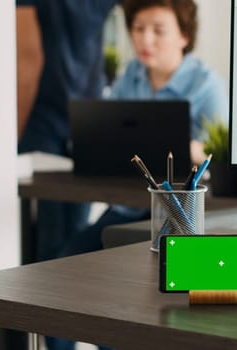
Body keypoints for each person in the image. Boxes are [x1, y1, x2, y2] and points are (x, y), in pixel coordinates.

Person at [60, 0, 228, 255]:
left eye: (158, 31)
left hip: (181, 216)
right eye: (138, 29)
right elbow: (104, 132)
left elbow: (221, 154)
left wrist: (190, 148)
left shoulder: (207, 86)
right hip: (128, 205)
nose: (145, 39)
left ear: (184, 35)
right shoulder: (130, 74)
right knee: (72, 254)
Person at [16, 1, 120, 349]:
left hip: (48, 123)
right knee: (68, 257)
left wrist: (9, 137)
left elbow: (28, 59)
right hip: (84, 121)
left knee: (52, 259)